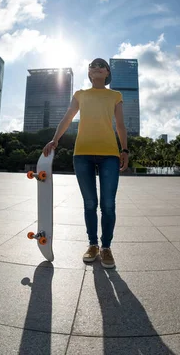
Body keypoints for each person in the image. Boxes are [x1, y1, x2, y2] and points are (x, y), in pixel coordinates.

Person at [43, 58, 129, 268]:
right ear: (89, 73)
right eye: (93, 66)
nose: (97, 68)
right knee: (90, 204)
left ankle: (106, 247)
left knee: (108, 205)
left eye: (102, 66)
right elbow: (68, 116)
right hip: (82, 154)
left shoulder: (115, 96)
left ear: (107, 73)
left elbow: (120, 125)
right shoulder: (80, 95)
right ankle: (93, 244)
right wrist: (55, 139)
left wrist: (124, 150)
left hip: (110, 154)